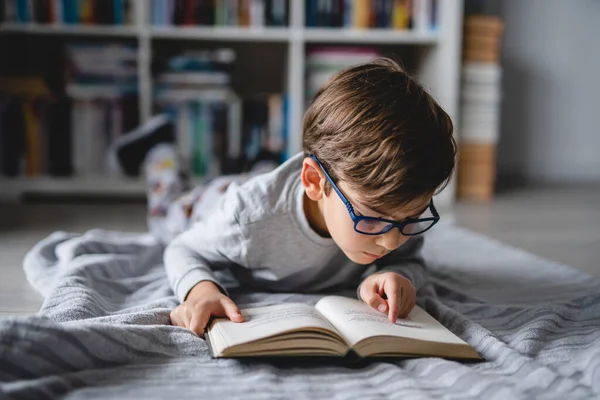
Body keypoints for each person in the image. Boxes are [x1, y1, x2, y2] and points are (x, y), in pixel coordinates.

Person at [122, 57, 456, 336]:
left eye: (410, 218)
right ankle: (159, 148)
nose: (392, 241)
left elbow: (406, 258)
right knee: (166, 208)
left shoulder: (390, 216)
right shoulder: (247, 219)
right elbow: (184, 247)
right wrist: (201, 290)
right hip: (208, 204)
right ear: (315, 181)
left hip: (275, 183)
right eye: (372, 217)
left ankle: (262, 161)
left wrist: (400, 276)